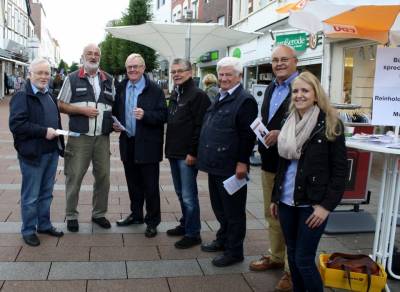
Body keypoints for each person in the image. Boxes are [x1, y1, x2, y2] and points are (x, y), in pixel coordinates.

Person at [271, 71, 347, 291]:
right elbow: (283, 165)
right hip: (286, 201)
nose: (299, 95)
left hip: (312, 205)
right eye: (295, 91)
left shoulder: (331, 124)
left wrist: (325, 207)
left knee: (304, 259)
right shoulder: (289, 121)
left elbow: (340, 172)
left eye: (305, 90)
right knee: (293, 256)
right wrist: (276, 197)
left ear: (316, 94)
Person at [197, 57, 258, 267]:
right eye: (221, 74)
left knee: (233, 212)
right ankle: (223, 239)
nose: (223, 78)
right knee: (219, 207)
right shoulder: (221, 95)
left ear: (239, 76)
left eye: (228, 74)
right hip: (216, 163)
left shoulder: (245, 99)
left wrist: (242, 163)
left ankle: (234, 251)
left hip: (232, 166)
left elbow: (247, 136)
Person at [249, 44, 299, 292]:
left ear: (295, 60)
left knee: (290, 216)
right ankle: (276, 256)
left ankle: (292, 270)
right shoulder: (271, 87)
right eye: (275, 60)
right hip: (270, 160)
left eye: (284, 59)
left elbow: (314, 122)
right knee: (272, 214)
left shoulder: (303, 87)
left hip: (294, 164)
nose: (279, 64)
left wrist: (284, 132)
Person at [58, 43, 115, 232]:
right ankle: (71, 215)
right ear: (82, 57)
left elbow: (113, 107)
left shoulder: (109, 79)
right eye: (89, 53)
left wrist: (115, 122)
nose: (93, 56)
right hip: (79, 137)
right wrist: (81, 110)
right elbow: (61, 104)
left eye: (96, 54)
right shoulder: (72, 78)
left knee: (104, 177)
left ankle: (99, 213)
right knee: (74, 176)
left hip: (102, 138)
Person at [9, 58, 65, 246]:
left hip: (51, 151)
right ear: (30, 74)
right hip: (33, 154)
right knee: (31, 195)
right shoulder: (22, 96)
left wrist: (58, 138)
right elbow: (17, 125)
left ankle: (44, 224)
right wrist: (44, 132)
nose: (44, 76)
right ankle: (28, 229)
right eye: (39, 73)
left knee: (46, 193)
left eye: (46, 73)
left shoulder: (48, 94)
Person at [113, 53, 167, 238]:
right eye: (129, 67)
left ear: (143, 68)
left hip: (148, 144)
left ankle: (152, 221)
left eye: (136, 66)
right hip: (128, 142)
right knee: (133, 184)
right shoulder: (121, 87)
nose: (133, 70)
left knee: (150, 186)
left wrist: (146, 115)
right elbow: (116, 111)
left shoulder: (155, 90)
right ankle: (136, 215)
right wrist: (115, 123)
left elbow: (163, 116)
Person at [165, 58, 210, 248]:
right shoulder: (176, 93)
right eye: (173, 71)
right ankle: (186, 224)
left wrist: (193, 152)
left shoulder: (198, 95)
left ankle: (193, 233)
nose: (176, 74)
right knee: (180, 192)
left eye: (180, 71)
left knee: (189, 196)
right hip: (174, 152)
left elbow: (201, 127)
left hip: (187, 154)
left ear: (190, 72)